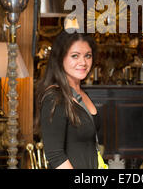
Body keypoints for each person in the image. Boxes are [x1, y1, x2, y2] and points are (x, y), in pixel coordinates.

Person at [35, 30, 99, 169]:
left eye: (87, 56)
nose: (83, 62)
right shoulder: (54, 97)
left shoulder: (83, 93)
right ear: (60, 58)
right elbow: (55, 156)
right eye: (75, 56)